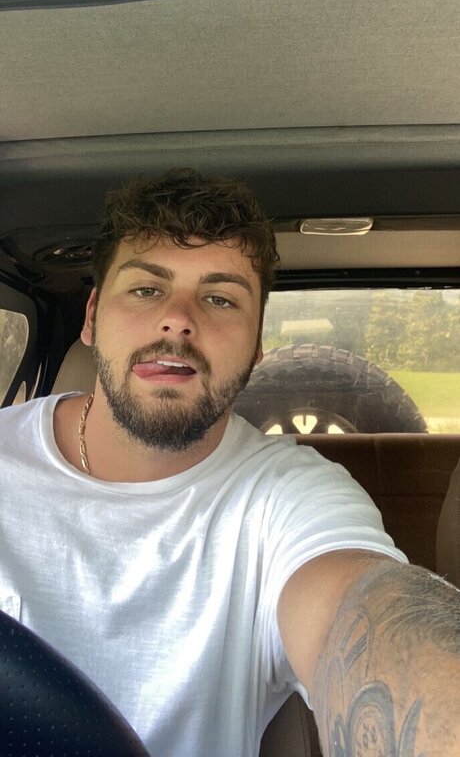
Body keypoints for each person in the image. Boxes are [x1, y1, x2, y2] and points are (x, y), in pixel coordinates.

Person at [0, 167, 459, 757]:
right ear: (91, 317)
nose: (178, 319)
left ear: (258, 343)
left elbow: (361, 609)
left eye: (219, 298)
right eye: (146, 289)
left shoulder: (286, 498)